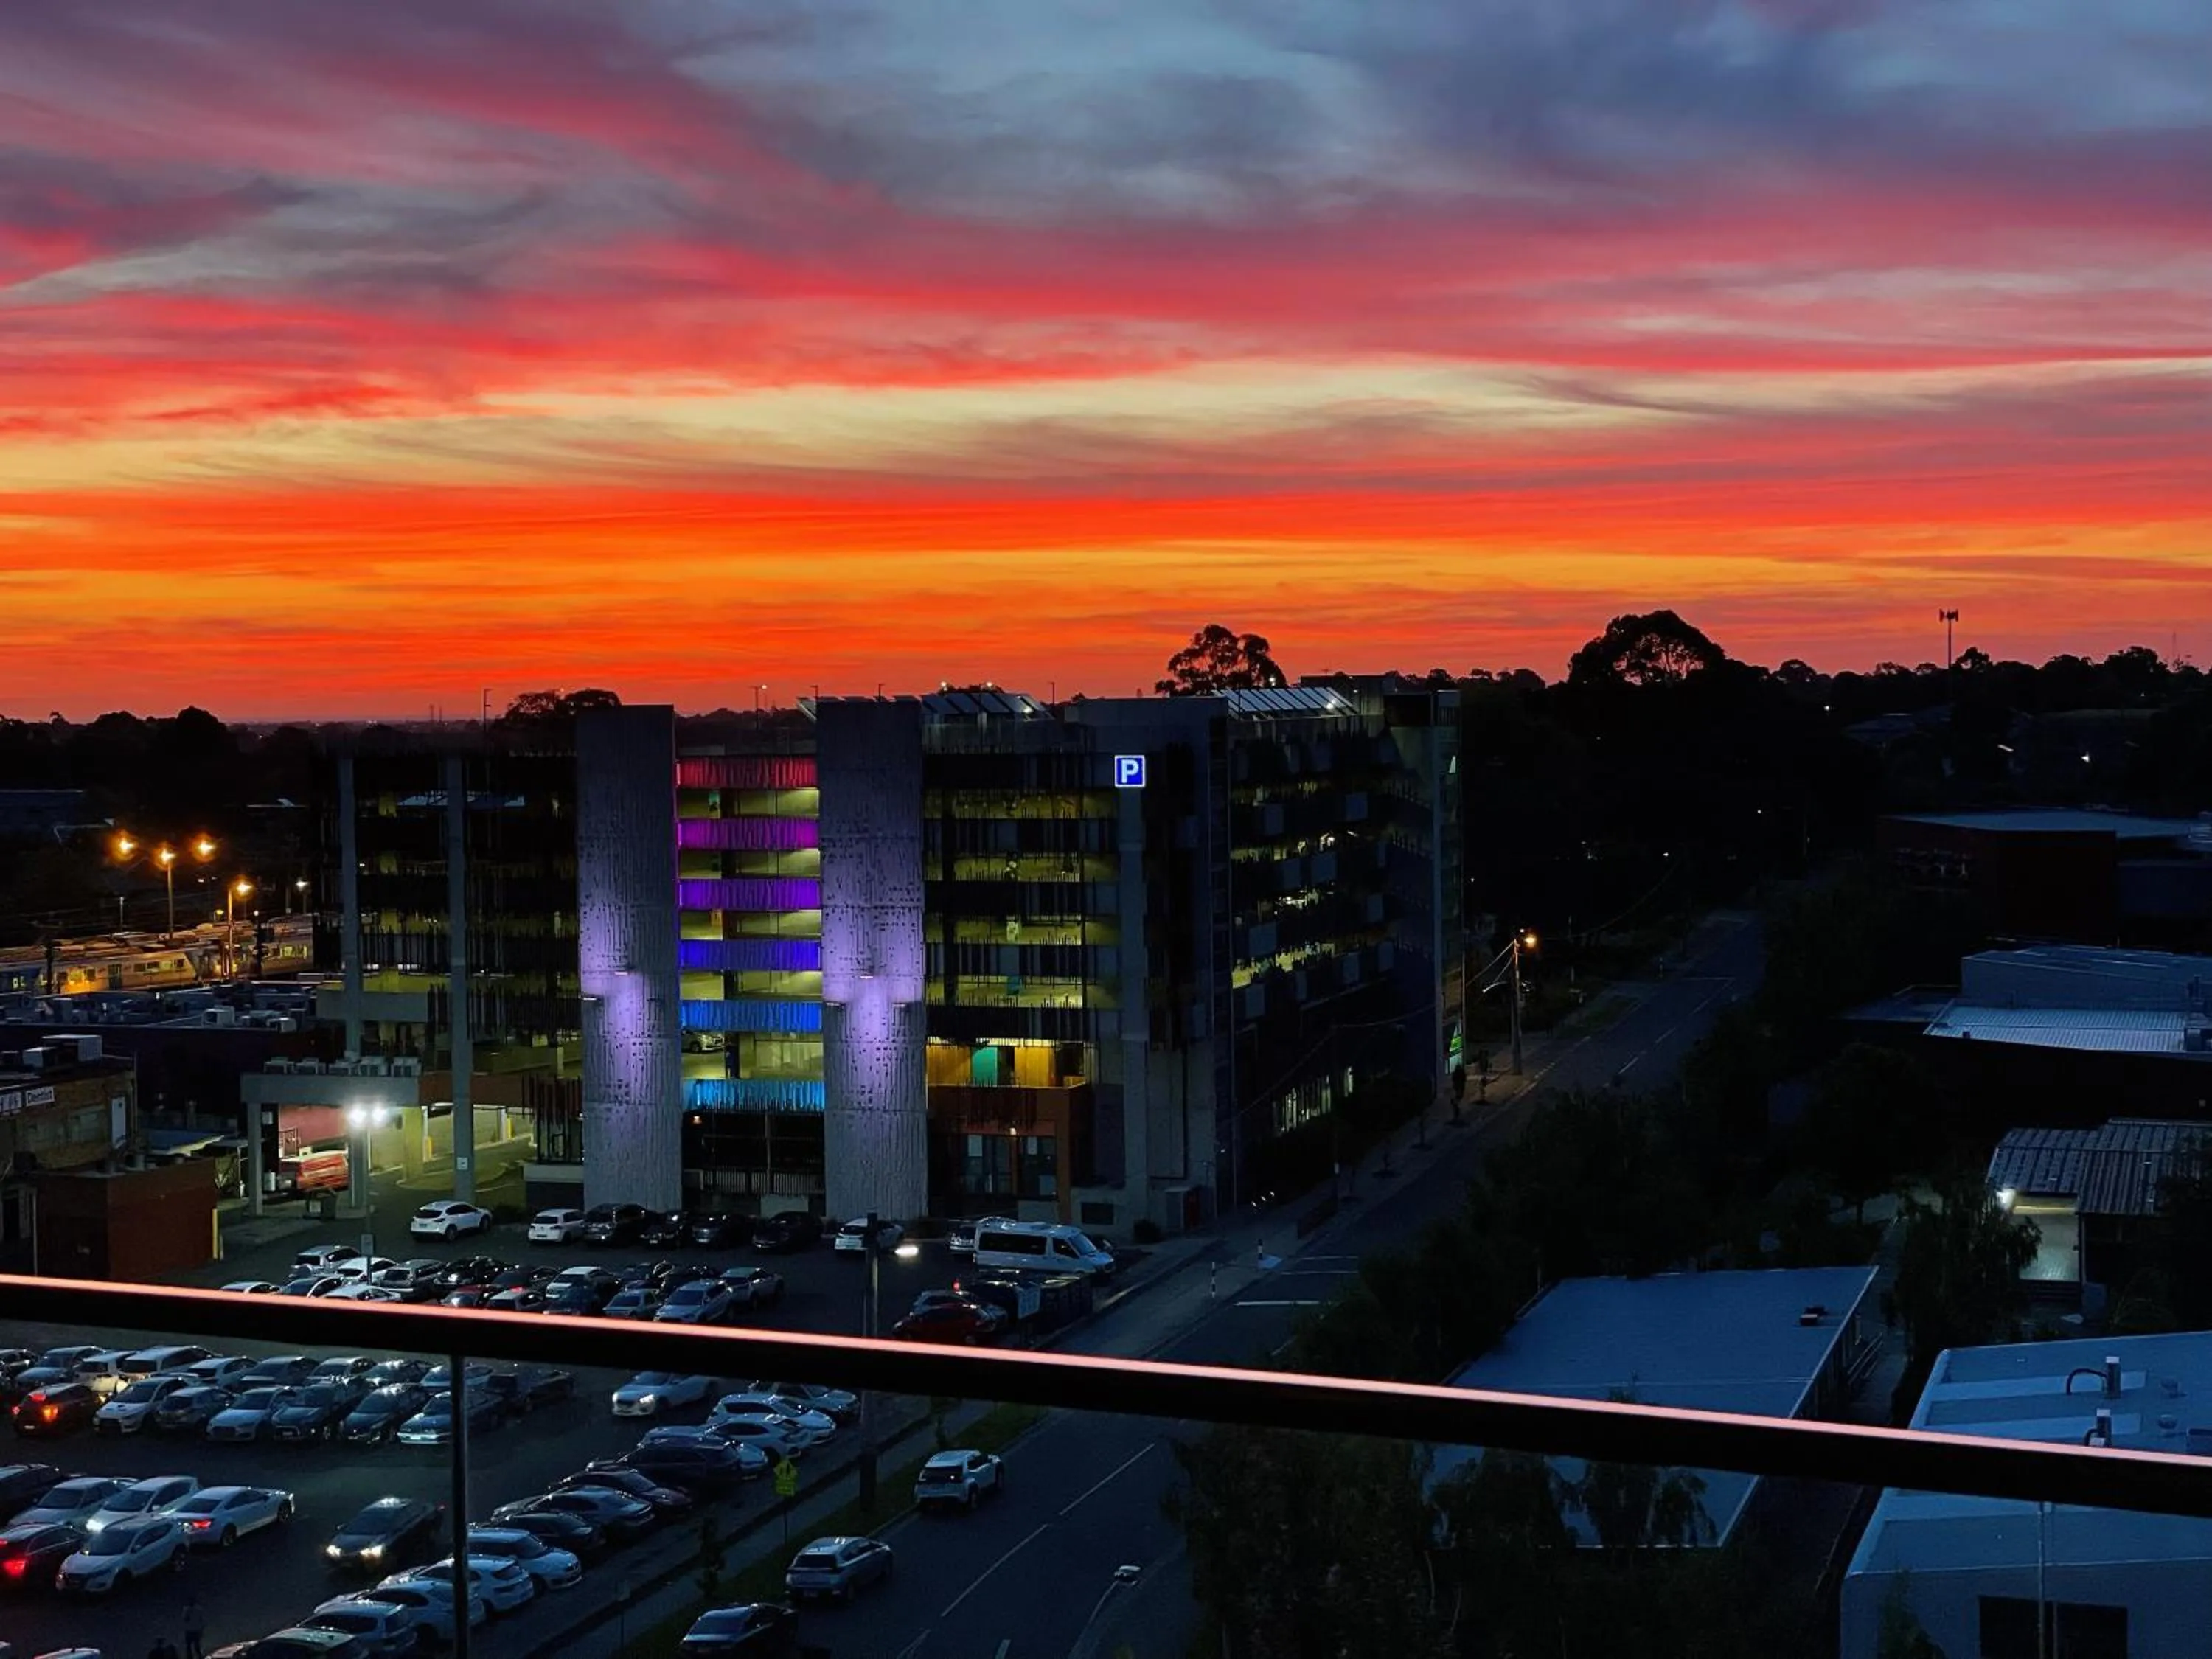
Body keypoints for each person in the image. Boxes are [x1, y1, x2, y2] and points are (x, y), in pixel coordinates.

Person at [181, 1590, 206, 1659]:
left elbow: (185, 1619)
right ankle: (196, 1657)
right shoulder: (189, 1609)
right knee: (192, 1647)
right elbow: (186, 1619)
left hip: (193, 1630)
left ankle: (198, 1657)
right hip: (193, 1630)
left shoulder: (194, 1609)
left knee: (194, 1647)